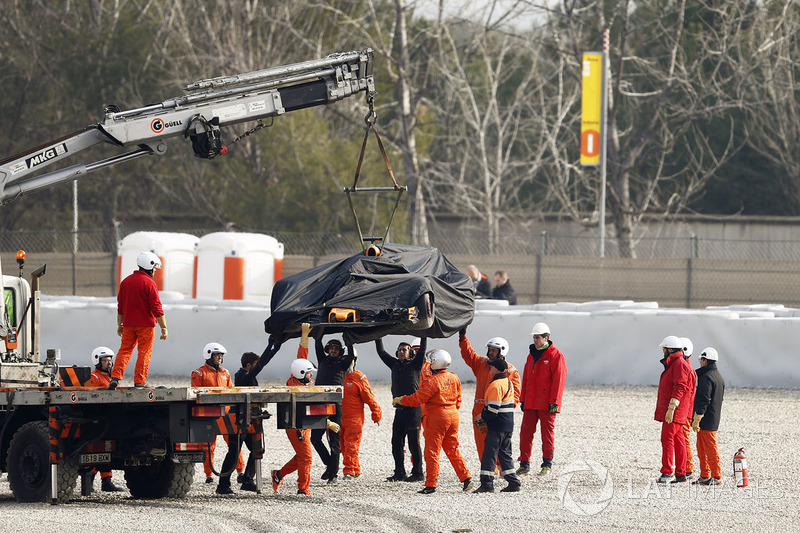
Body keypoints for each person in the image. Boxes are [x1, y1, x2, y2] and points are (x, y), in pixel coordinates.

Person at [393, 349, 473, 495]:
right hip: (453, 415)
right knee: (452, 449)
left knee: (432, 452)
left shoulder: (433, 381)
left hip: (437, 417)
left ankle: (431, 484)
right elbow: (459, 398)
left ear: (435, 362)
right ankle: (466, 477)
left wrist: (402, 400)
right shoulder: (454, 377)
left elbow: (418, 398)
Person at [273, 325, 340, 496]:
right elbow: (308, 410)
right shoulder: (297, 389)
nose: (312, 376)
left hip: (305, 426)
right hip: (298, 426)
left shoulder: (301, 381)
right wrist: (328, 423)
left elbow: (301, 357)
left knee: (302, 456)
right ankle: (302, 489)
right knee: (307, 458)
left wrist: (304, 335)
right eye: (310, 373)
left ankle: (278, 475)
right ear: (302, 374)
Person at [216, 337, 282, 495]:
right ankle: (224, 485)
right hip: (240, 420)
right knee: (234, 452)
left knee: (257, 450)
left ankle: (247, 479)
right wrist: (273, 348)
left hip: (248, 419)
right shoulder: (244, 376)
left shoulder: (242, 375)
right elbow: (261, 364)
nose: (257, 368)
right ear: (248, 365)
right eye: (254, 365)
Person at [458, 327, 521, 465]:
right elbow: (468, 354)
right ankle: (490, 471)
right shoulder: (481, 364)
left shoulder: (511, 371)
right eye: (490, 350)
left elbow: (515, 397)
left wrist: (499, 409)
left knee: (498, 444)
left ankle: (501, 469)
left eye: (494, 350)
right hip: (479, 411)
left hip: (498, 413)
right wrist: (462, 337)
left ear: (502, 351)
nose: (490, 353)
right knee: (482, 444)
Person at [110, 251, 168, 389]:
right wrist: (164, 327)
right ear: (149, 266)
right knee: (144, 352)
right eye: (154, 268)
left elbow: (121, 305)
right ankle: (139, 381)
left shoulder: (125, 282)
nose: (155, 270)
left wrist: (120, 324)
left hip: (128, 324)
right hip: (146, 326)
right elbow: (156, 307)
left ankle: (115, 378)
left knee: (124, 350)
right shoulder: (150, 283)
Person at [190, 342, 244, 484]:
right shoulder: (198, 373)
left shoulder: (225, 373)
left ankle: (240, 471)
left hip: (225, 414)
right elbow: (196, 394)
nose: (220, 358)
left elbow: (232, 391)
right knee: (208, 445)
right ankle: (209, 474)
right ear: (209, 355)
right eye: (217, 355)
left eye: (221, 355)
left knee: (234, 444)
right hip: (209, 415)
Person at [375, 336, 427, 482]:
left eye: (405, 350)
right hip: (399, 410)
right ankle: (399, 472)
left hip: (413, 410)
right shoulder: (394, 364)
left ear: (410, 353)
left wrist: (425, 334)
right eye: (399, 350)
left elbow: (422, 350)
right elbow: (381, 353)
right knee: (396, 442)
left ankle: (418, 473)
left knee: (413, 443)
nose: (401, 352)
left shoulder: (416, 364)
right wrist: (377, 337)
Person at [517, 322, 567, 476]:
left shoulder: (556, 355)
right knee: (525, 433)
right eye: (534, 337)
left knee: (547, 434)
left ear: (546, 338)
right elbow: (525, 378)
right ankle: (524, 463)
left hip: (546, 404)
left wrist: (555, 402)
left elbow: (559, 380)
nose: (535, 340)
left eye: (538, 337)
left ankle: (547, 463)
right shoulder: (531, 355)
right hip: (531, 403)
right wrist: (523, 399)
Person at [309, 331, 354, 484]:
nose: (334, 350)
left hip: (335, 405)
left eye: (336, 348)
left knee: (334, 440)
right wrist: (319, 332)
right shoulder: (322, 360)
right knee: (314, 438)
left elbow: (351, 352)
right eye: (332, 348)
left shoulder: (343, 362)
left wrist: (348, 339)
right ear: (328, 349)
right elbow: (317, 344)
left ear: (340, 351)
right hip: (319, 403)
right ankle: (330, 465)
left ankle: (333, 475)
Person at [473, 358, 522, 493]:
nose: (490, 369)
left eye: (492, 367)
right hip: (507, 425)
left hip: (497, 426)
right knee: (505, 454)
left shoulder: (495, 385)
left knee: (489, 454)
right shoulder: (508, 382)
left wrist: (481, 417)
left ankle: (486, 484)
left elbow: (493, 410)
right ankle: (513, 482)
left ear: (496, 369)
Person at [83, 346, 124, 492]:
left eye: (110, 360)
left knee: (107, 451)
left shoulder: (112, 378)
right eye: (105, 360)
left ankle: (106, 482)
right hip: (97, 418)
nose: (109, 363)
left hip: (109, 417)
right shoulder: (94, 377)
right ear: (97, 361)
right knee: (97, 451)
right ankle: (91, 482)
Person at [654, 335, 694, 483]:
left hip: (675, 411)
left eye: (664, 349)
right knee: (678, 440)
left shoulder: (679, 365)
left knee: (667, 438)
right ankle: (681, 473)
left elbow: (680, 386)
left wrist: (672, 407)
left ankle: (667, 472)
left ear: (670, 349)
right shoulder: (677, 363)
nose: (663, 351)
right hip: (678, 410)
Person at [341, 350, 382, 479]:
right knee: (342, 446)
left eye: (350, 359)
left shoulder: (359, 378)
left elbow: (369, 398)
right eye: (344, 358)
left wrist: (376, 414)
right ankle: (356, 468)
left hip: (354, 419)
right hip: (339, 417)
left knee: (351, 445)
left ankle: (349, 471)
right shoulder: (337, 375)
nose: (347, 361)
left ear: (355, 361)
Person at [691, 347, 726, 486]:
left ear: (706, 361)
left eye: (701, 359)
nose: (699, 361)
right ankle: (705, 475)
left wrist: (698, 416)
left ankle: (717, 477)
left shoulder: (706, 377)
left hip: (706, 418)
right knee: (702, 447)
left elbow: (704, 399)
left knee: (709, 449)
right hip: (712, 417)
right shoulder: (718, 377)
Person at [679, 336, 697, 479]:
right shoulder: (686, 367)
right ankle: (684, 467)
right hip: (685, 410)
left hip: (685, 411)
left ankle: (688, 468)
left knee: (684, 438)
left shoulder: (686, 369)